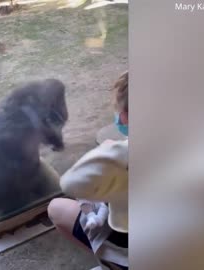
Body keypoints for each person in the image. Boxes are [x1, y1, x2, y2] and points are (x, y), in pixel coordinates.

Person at [48, 71, 128, 270]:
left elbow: (70, 183)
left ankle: (113, 263)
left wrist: (111, 150)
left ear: (125, 116)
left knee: (56, 207)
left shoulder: (122, 154)